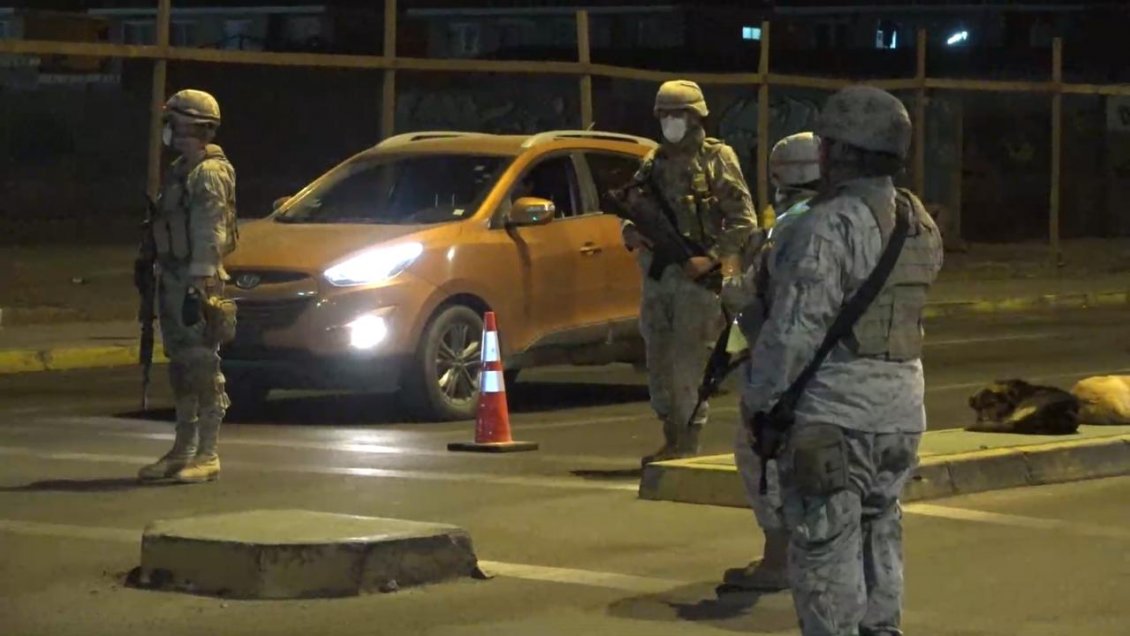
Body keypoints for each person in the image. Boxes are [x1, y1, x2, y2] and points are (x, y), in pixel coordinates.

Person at [741, 85, 943, 635]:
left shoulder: (827, 225)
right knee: (882, 530)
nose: (822, 155)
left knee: (825, 546)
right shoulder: (919, 220)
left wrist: (760, 405)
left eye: (827, 145)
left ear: (845, 153)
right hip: (902, 412)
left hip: (835, 416)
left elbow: (796, 329)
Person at [620, 79, 758, 467]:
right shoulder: (654, 161)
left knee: (687, 365)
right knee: (659, 362)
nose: (670, 121)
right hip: (658, 279)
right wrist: (630, 232)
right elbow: (634, 206)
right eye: (664, 114)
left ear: (696, 117)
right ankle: (671, 434)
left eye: (677, 114)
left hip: (696, 283)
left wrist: (710, 258)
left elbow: (743, 221)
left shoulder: (717, 159)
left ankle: (686, 442)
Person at [724, 131, 822, 593]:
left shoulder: (786, 230)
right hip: (837, 368)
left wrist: (729, 277)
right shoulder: (854, 220)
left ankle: (778, 558)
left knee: (760, 454)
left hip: (785, 365)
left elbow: (748, 297)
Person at [137, 89, 239, 484]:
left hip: (196, 283)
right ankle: (183, 449)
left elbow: (210, 230)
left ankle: (207, 453)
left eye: (174, 121)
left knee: (202, 366)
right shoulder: (183, 169)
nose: (168, 129)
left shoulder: (209, 172)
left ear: (191, 125)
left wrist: (201, 285)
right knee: (181, 366)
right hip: (174, 277)